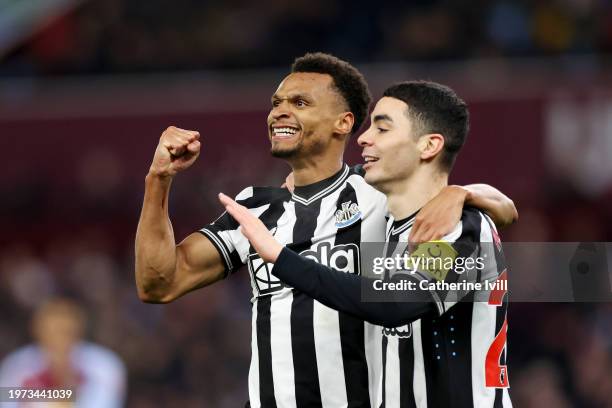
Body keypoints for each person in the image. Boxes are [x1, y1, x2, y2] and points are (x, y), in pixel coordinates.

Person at [136, 54, 516, 408]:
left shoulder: (379, 196)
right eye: (276, 102)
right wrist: (158, 180)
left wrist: (462, 192)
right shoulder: (254, 208)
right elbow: (158, 283)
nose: (279, 112)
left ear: (344, 122)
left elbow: (486, 223)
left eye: (300, 103)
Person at [0, 298, 126, 408]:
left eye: (65, 331)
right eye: (52, 330)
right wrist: (61, 393)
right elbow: (6, 400)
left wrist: (66, 379)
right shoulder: (16, 365)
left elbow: (105, 403)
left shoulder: (104, 364)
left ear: (79, 329)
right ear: (37, 330)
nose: (59, 339)